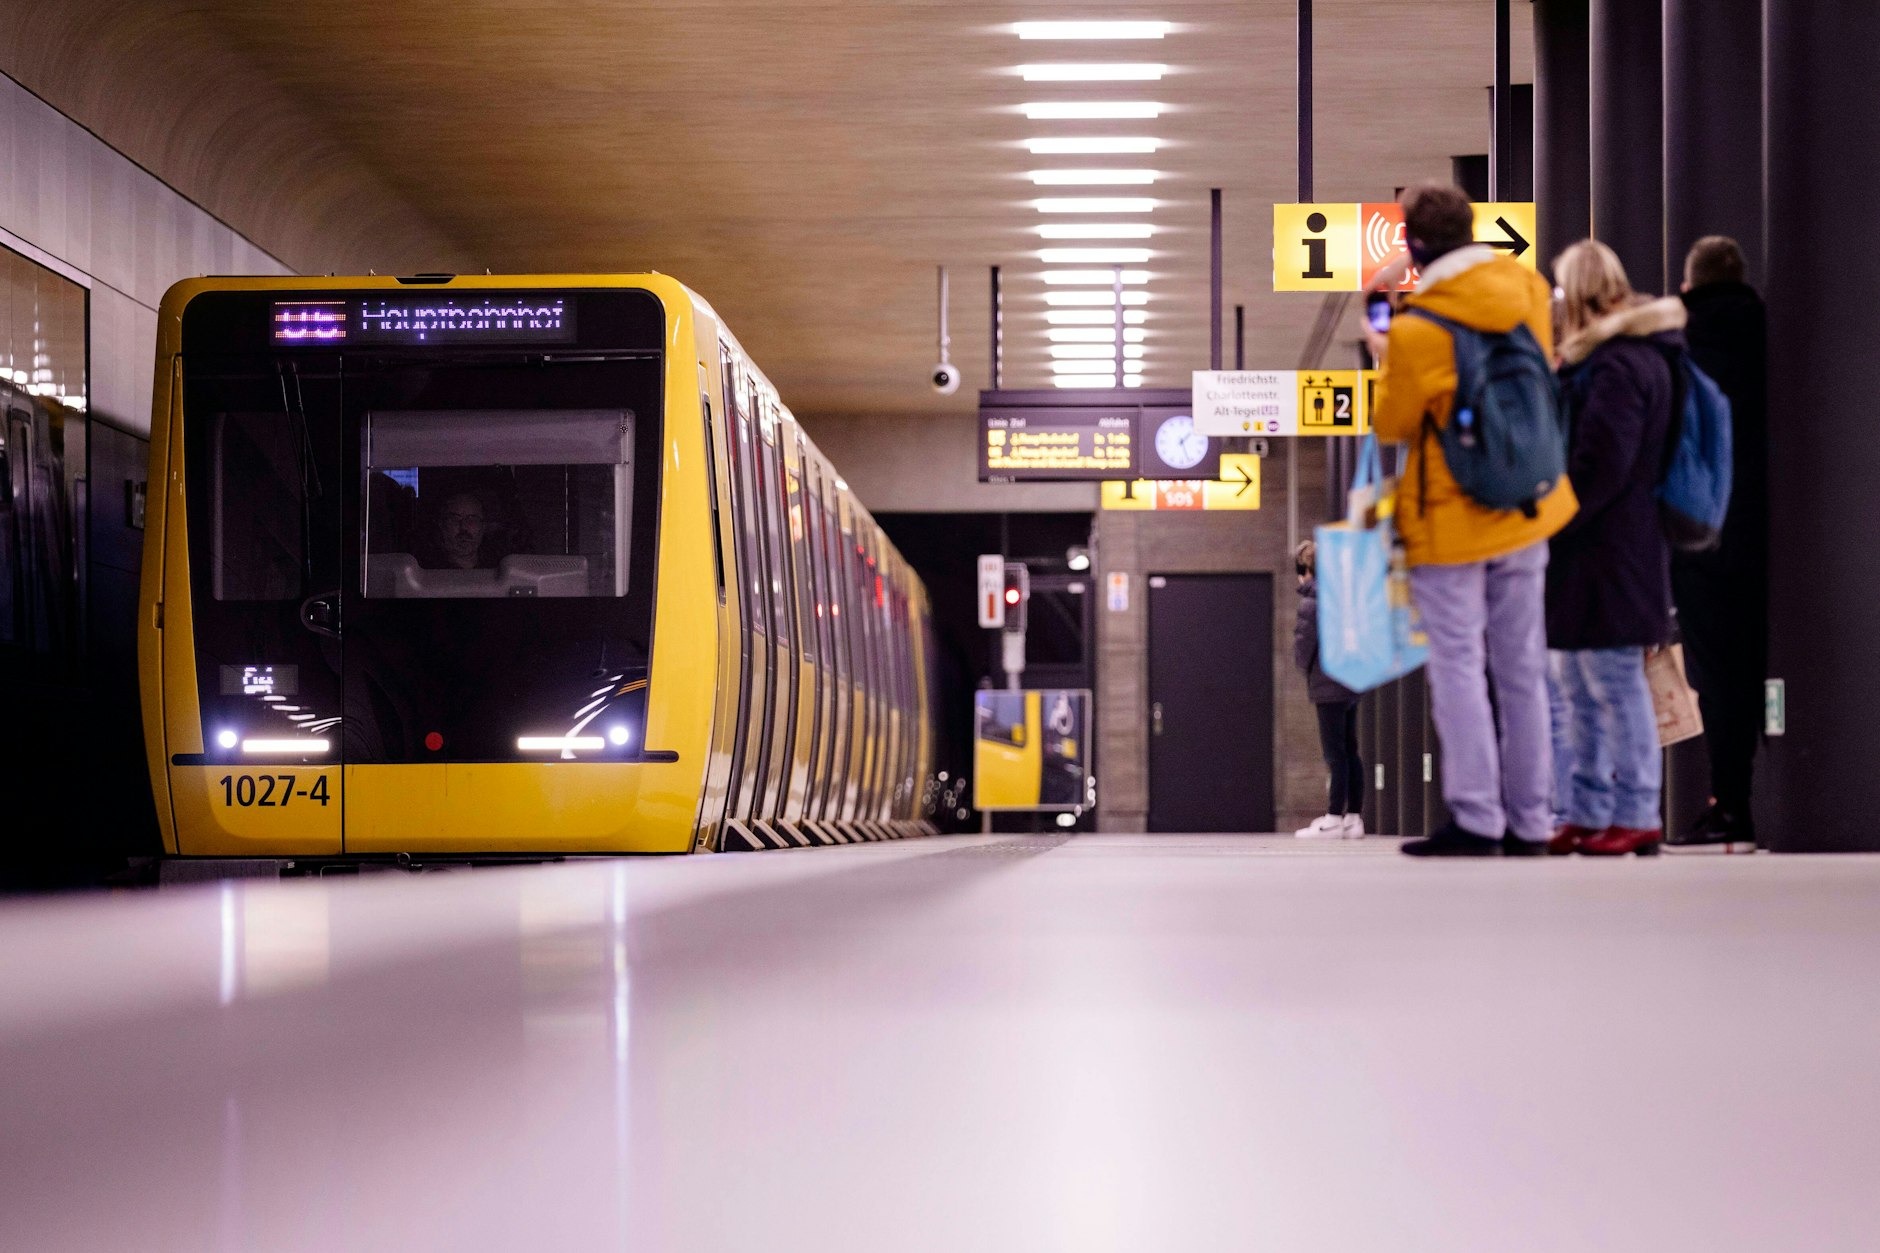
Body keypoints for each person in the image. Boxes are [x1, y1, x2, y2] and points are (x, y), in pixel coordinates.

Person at [1368, 183, 1578, 857]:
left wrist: (1384, 346)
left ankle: (1478, 817)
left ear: (1415, 245)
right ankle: (1532, 820)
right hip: (1527, 503)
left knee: (1459, 664)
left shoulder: (1418, 328)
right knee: (1524, 667)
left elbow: (1395, 424)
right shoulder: (1527, 290)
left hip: (1452, 518)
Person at [1544, 240, 1684, 857]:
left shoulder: (1619, 365)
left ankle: (1635, 811)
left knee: (1612, 682)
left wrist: (1550, 514)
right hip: (1600, 548)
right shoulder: (1629, 359)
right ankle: (1589, 806)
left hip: (1609, 548)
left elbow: (1602, 462)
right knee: (1579, 682)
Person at [1668, 236, 1767, 849]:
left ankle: (1729, 800)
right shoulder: (1770, 328)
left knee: (1715, 671)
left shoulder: (1682, 343)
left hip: (1701, 527)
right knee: (1761, 663)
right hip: (1769, 525)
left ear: (1688, 284)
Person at [1291, 539, 1365, 838]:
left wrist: (1303, 667)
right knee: (1351, 750)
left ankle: (1334, 817)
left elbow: (1303, 644)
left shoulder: (1313, 599)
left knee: (1334, 753)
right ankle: (1354, 818)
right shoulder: (1345, 595)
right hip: (1350, 681)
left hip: (1327, 682)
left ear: (1307, 568)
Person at [425, 490, 492, 570]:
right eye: (454, 519)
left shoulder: (497, 567)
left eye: (472, 519)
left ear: (483, 526)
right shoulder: (427, 571)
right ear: (442, 525)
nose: (464, 527)